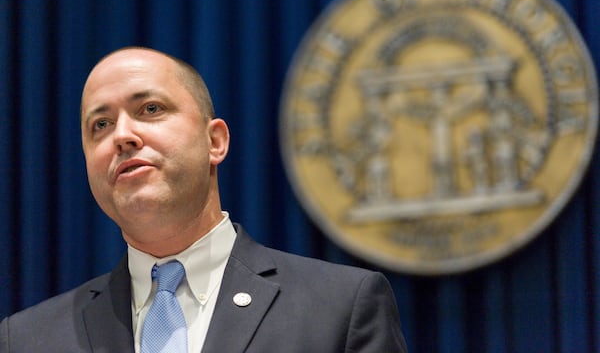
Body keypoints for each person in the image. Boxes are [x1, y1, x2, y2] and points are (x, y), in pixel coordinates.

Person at [0, 47, 408, 352]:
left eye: (150, 108)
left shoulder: (340, 308)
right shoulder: (27, 339)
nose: (122, 135)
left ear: (215, 142)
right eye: (100, 124)